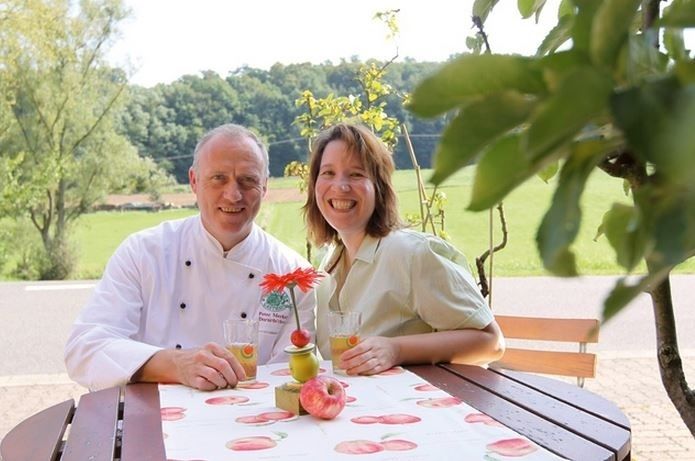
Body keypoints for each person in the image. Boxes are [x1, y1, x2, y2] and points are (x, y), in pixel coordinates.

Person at [65, 124, 315, 391]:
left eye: (248, 180)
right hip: (151, 417)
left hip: (249, 420)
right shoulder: (143, 252)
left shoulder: (293, 274)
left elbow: (287, 378)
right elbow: (85, 349)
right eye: (218, 178)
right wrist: (175, 364)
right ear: (194, 181)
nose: (233, 194)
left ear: (265, 187)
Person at [303, 123, 504, 375]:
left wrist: (396, 349)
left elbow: (490, 342)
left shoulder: (410, 253)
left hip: (422, 409)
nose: (341, 186)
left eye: (356, 174)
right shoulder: (328, 264)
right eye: (328, 173)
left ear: (379, 186)